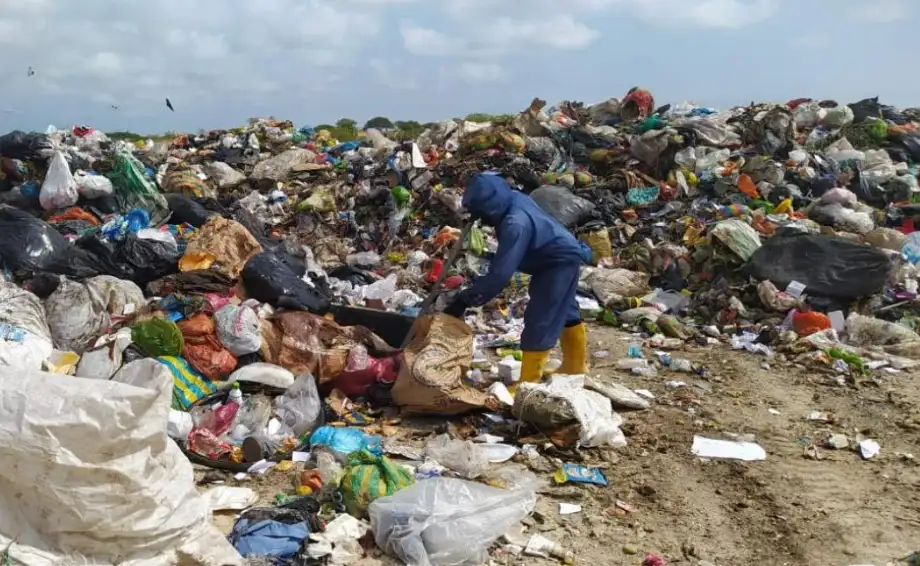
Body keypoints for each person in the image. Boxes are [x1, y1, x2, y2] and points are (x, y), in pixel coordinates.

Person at [444, 172, 593, 390]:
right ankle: (575, 365)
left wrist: (465, 299)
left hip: (557, 260)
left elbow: (500, 275)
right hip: (555, 252)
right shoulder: (513, 197)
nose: (482, 220)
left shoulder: (515, 224)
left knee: (541, 316)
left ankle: (527, 384)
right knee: (566, 309)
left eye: (482, 214)